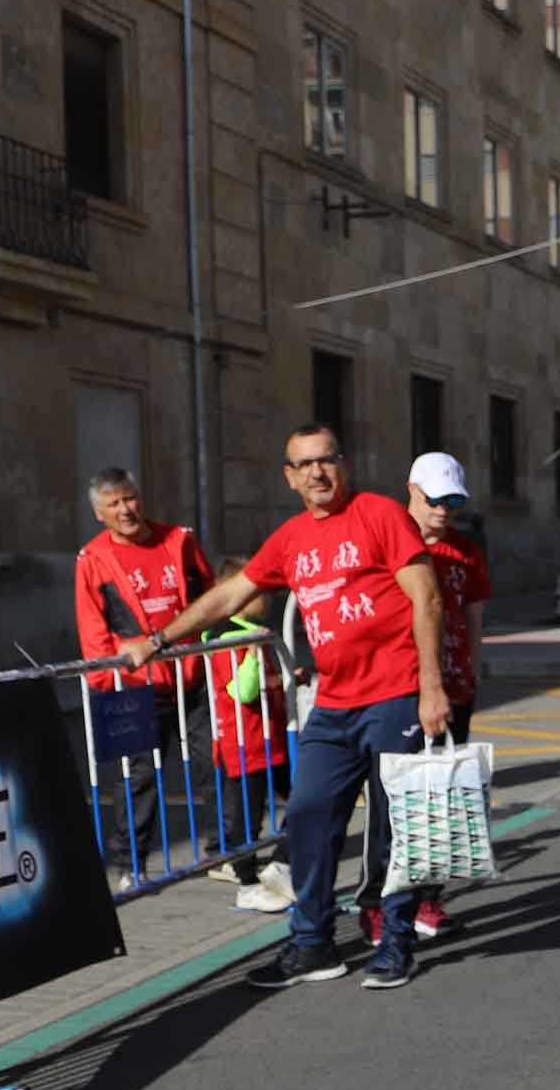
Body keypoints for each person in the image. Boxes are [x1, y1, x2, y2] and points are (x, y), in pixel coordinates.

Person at [120, 424, 450, 991]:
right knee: (307, 815)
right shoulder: (292, 537)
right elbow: (229, 594)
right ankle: (313, 943)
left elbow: (427, 596)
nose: (318, 472)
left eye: (326, 460)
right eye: (305, 464)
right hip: (335, 701)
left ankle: (394, 940)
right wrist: (158, 639)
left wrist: (432, 688)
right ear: (290, 476)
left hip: (395, 695)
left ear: (342, 464)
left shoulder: (379, 514)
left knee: (397, 827)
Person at [72, 470, 213, 890]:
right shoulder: (93, 559)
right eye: (114, 504)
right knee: (140, 778)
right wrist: (104, 685)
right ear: (100, 514)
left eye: (130, 499)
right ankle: (130, 864)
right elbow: (92, 627)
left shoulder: (178, 540)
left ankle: (228, 848)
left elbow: (209, 595)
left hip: (193, 677)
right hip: (135, 687)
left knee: (215, 761)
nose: (126, 509)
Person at [405, 452, 493, 943]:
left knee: (444, 797)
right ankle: (386, 900)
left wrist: (474, 668)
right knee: (403, 796)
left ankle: (429, 897)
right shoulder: (395, 545)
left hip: (457, 689)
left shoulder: (465, 549)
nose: (443, 510)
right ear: (412, 490)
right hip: (406, 689)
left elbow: (474, 614)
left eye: (453, 501)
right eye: (434, 499)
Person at [199, 572, 295, 912]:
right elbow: (243, 690)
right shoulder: (227, 639)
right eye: (259, 592)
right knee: (247, 819)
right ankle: (247, 882)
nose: (266, 598)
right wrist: (254, 653)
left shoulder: (255, 634)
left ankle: (280, 864)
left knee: (304, 801)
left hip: (274, 742)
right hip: (246, 745)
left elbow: (266, 683)